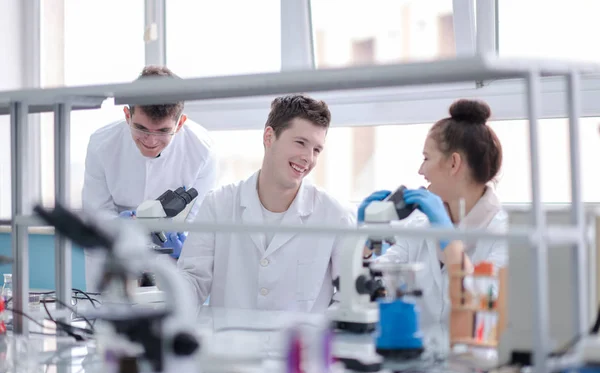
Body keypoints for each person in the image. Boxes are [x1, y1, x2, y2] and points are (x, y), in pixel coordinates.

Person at [176, 94, 355, 312]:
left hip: (302, 345)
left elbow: (349, 297)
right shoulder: (218, 205)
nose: (308, 157)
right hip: (230, 344)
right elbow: (192, 281)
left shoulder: (335, 215)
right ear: (269, 137)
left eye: (317, 150)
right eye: (300, 143)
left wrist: (319, 336)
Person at [360, 99, 507, 351]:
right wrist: (363, 239)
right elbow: (368, 287)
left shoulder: (504, 233)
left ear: (453, 163)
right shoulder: (419, 224)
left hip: (477, 365)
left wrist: (448, 237)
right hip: (418, 366)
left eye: (426, 158)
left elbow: (479, 303)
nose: (420, 170)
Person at [81, 65, 217, 291]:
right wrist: (120, 226)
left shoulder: (202, 150)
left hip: (169, 263)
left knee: (169, 319)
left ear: (180, 123)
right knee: (111, 318)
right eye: (141, 128)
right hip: (114, 256)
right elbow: (96, 212)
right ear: (127, 115)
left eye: (163, 131)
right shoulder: (101, 145)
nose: (151, 141)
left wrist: (180, 239)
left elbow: (197, 220)